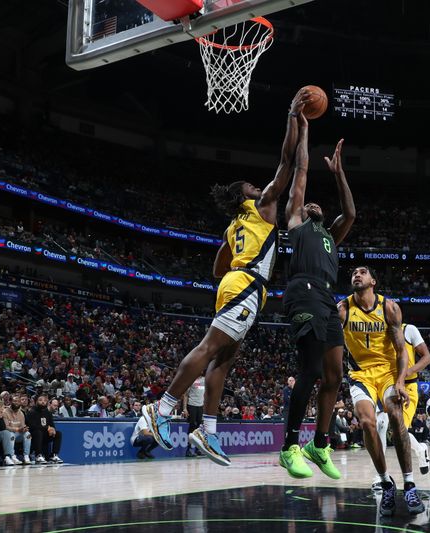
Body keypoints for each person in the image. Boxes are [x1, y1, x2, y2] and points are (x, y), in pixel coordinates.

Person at [143, 92, 310, 466]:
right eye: (250, 185)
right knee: (208, 349)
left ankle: (209, 430)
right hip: (246, 287)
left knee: (225, 360)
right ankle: (163, 408)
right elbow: (286, 161)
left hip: (239, 284)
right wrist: (292, 117)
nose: (258, 185)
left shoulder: (232, 226)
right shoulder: (263, 206)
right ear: (244, 196)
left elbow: (218, 268)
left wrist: (238, 266)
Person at [277, 117, 355, 481]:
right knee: (309, 370)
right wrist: (305, 132)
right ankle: (290, 445)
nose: (310, 204)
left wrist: (339, 173)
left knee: (335, 375)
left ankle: (319, 443)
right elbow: (301, 171)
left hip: (326, 298)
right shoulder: (297, 222)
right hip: (303, 290)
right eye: (307, 204)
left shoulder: (331, 234)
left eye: (314, 205)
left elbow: (351, 213)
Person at [338, 266, 425, 516]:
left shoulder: (389, 308)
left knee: (396, 414)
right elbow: (333, 344)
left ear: (373, 281)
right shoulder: (342, 309)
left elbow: (401, 351)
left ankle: (409, 484)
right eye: (354, 272)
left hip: (387, 372)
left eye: (363, 272)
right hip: (360, 374)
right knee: (367, 422)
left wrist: (400, 381)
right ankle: (386, 482)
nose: (357, 274)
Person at [374, 322, 430, 479]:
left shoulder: (409, 329)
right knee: (380, 423)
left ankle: (420, 450)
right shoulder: (376, 332)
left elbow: (427, 357)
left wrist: (408, 371)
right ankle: (379, 476)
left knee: (399, 432)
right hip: (384, 385)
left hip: (408, 386)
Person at [27, 394, 63, 463]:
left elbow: (52, 425)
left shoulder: (48, 412)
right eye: (40, 400)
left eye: (45, 400)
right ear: (36, 402)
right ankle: (38, 455)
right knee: (38, 432)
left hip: (45, 435)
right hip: (34, 436)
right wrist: (47, 428)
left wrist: (52, 429)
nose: (43, 402)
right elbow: (33, 427)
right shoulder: (31, 412)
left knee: (58, 433)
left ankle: (54, 455)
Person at [2, 393, 32, 465]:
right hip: (9, 434)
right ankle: (12, 456)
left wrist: (24, 429)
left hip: (18, 434)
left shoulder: (21, 413)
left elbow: (22, 426)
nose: (16, 403)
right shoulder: (5, 412)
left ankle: (26, 456)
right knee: (10, 434)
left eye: (18, 401)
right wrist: (18, 429)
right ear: (10, 401)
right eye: (14, 401)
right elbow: (6, 427)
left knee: (28, 434)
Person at [183, 373, 205, 457]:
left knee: (199, 429)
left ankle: (198, 449)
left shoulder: (205, 380)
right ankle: (188, 450)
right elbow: (185, 395)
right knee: (192, 428)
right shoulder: (191, 379)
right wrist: (185, 408)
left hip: (200, 406)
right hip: (192, 405)